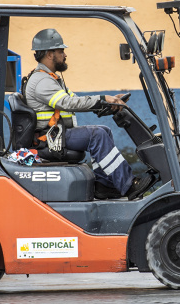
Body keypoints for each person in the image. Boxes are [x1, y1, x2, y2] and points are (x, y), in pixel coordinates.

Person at [24, 28, 152, 200]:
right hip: (50, 139)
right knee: (96, 135)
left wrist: (108, 102)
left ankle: (104, 185)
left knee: (103, 130)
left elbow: (76, 100)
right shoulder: (41, 81)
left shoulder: (51, 79)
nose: (65, 55)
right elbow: (68, 103)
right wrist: (101, 98)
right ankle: (129, 185)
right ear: (49, 54)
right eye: (61, 51)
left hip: (57, 135)